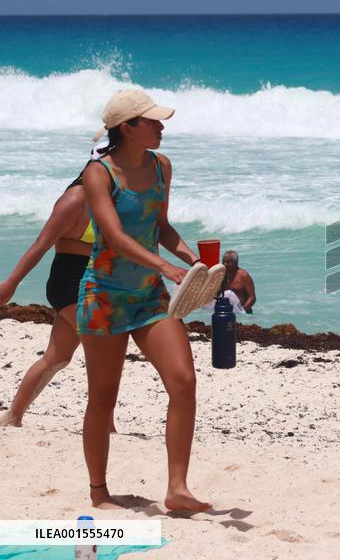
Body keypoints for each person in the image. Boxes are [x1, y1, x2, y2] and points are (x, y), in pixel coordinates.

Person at [78, 89, 210, 512]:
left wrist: (192, 262)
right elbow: (114, 236)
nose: (161, 126)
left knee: (184, 382)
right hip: (104, 296)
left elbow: (162, 226)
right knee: (103, 398)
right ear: (128, 128)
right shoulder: (99, 173)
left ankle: (177, 489)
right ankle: (99, 492)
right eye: (152, 121)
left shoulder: (160, 166)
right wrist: (166, 268)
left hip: (149, 297)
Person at [0, 167, 115, 432]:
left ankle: (13, 416)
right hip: (69, 284)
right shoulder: (74, 201)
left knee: (57, 358)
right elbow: (40, 244)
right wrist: (11, 283)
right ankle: (105, 425)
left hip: (95, 282)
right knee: (103, 351)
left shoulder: (107, 198)